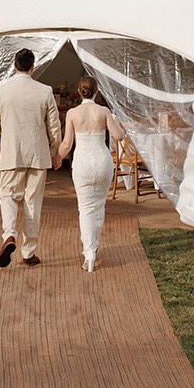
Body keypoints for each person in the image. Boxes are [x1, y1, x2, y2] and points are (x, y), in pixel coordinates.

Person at [0, 47, 62, 268]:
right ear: (33, 66)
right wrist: (55, 151)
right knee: (32, 202)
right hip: (38, 154)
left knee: (8, 196)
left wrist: (7, 132)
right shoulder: (45, 91)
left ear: (14, 65)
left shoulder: (0, 91)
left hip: (11, 152)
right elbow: (54, 128)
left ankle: (9, 234)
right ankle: (28, 252)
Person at [54, 75, 125, 272]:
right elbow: (118, 136)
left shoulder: (72, 113)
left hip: (83, 163)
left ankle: (89, 254)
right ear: (97, 91)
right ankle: (93, 247)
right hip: (102, 162)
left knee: (85, 208)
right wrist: (120, 126)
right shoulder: (103, 111)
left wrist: (57, 158)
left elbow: (67, 144)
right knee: (99, 206)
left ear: (79, 91)